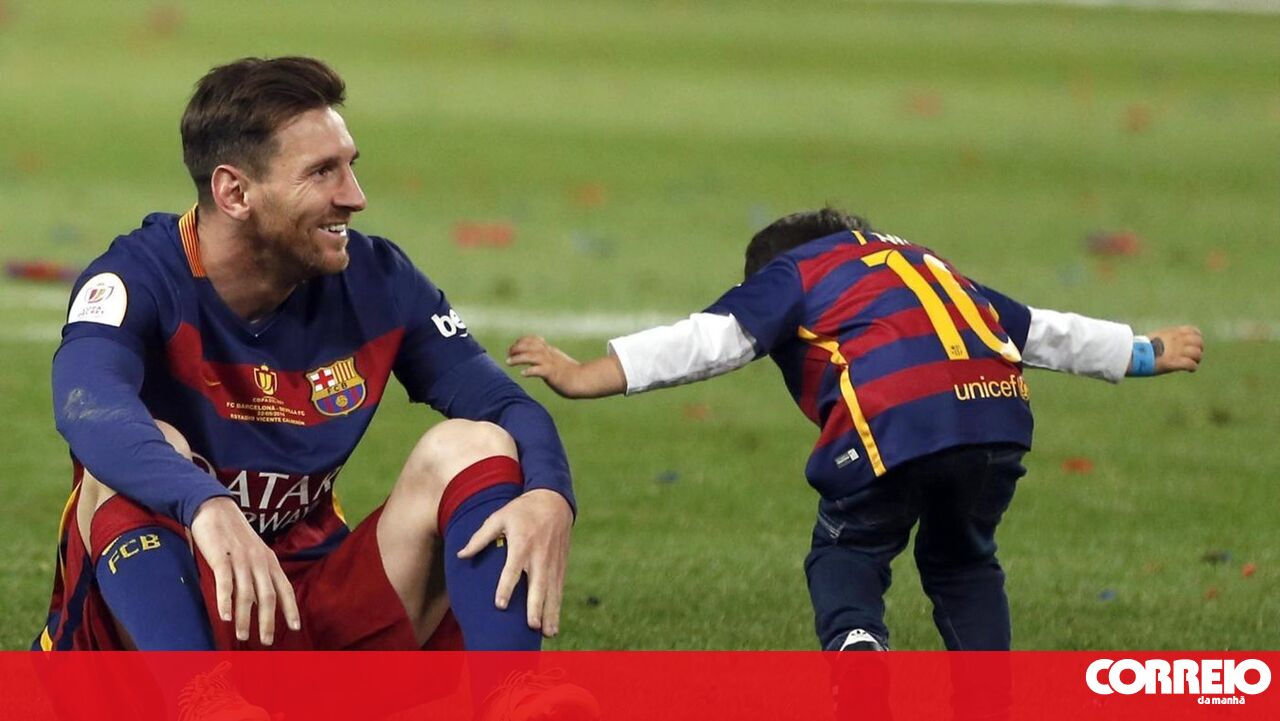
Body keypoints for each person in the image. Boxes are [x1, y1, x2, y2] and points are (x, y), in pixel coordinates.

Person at [34, 56, 578, 658]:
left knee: (476, 444)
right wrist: (203, 502)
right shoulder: (139, 278)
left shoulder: (378, 281)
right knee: (135, 459)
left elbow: (502, 404)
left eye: (350, 166)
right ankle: (202, 698)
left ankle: (512, 692)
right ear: (235, 192)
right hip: (155, 634)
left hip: (303, 612)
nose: (355, 197)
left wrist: (550, 493)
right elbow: (88, 405)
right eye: (322, 172)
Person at [507, 207, 1203, 651]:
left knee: (847, 551)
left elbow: (713, 339)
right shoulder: (925, 262)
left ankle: (859, 652)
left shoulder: (795, 272)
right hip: (996, 415)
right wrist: (1142, 352)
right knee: (963, 561)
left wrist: (588, 373)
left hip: (892, 417)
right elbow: (1038, 330)